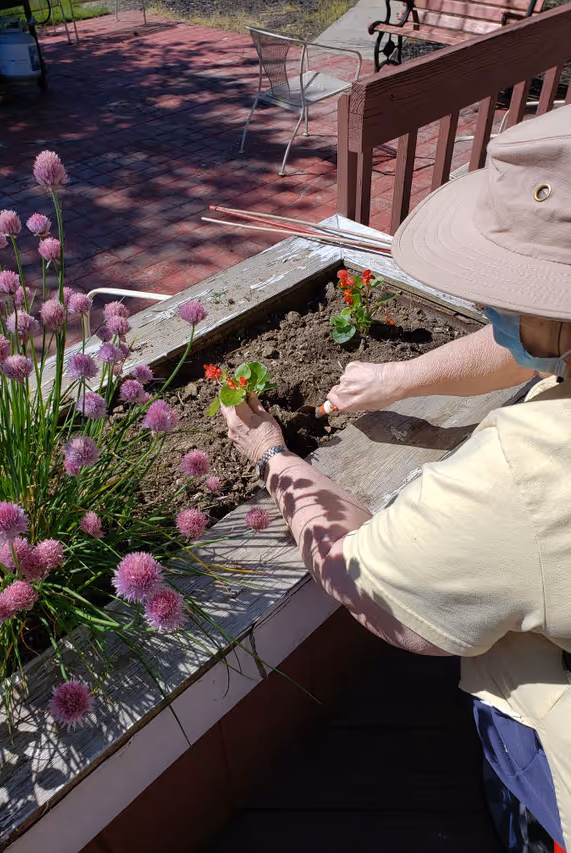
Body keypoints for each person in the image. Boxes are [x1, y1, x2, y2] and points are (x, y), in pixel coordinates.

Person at [220, 106, 571, 853]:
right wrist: (401, 376)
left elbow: (369, 580)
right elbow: (544, 341)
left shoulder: (531, 467)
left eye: (505, 292)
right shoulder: (558, 336)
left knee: (500, 656)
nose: (490, 305)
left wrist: (270, 454)